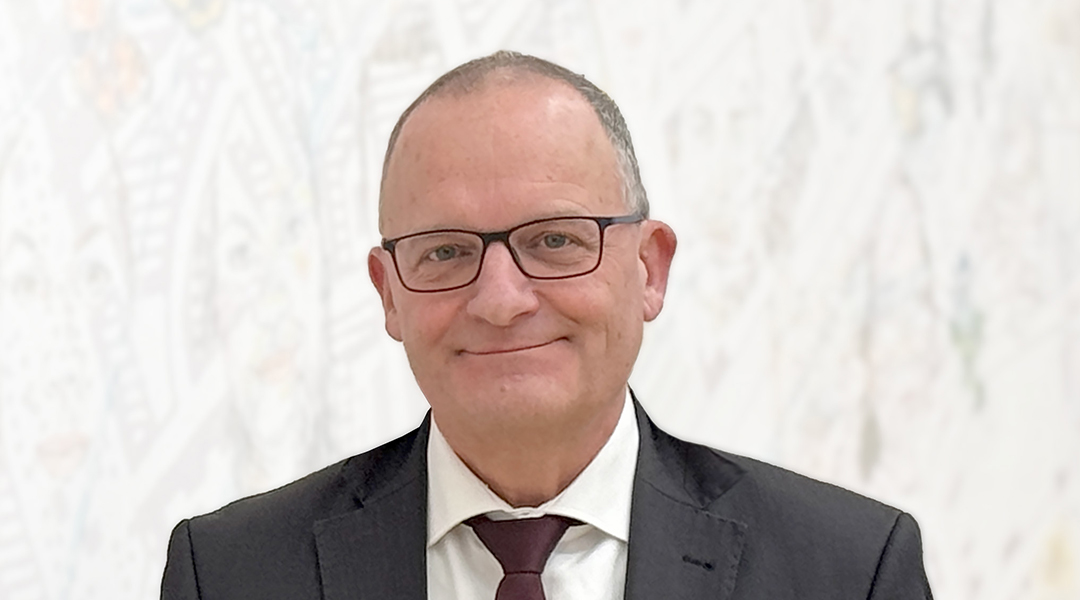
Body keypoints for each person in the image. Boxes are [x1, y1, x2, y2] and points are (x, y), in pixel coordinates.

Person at [161, 50, 934, 600]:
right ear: (389, 293)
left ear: (649, 269)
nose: (501, 299)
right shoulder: (230, 574)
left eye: (555, 240)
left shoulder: (848, 570)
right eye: (445, 252)